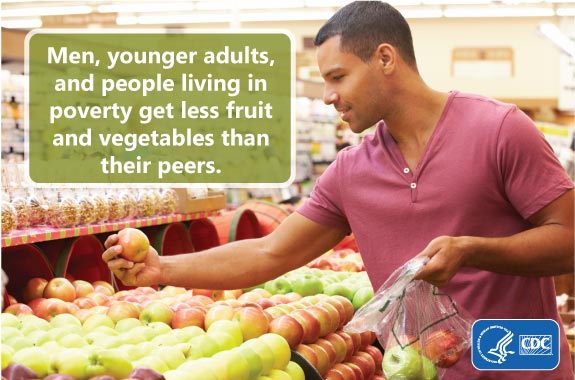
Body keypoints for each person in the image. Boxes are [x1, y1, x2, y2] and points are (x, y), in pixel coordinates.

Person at [102, 2, 574, 378]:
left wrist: (473, 251)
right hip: (417, 371)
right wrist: (162, 268)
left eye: (337, 76)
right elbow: (270, 253)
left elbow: (569, 240)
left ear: (385, 58)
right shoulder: (353, 171)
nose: (328, 95)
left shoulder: (498, 130)